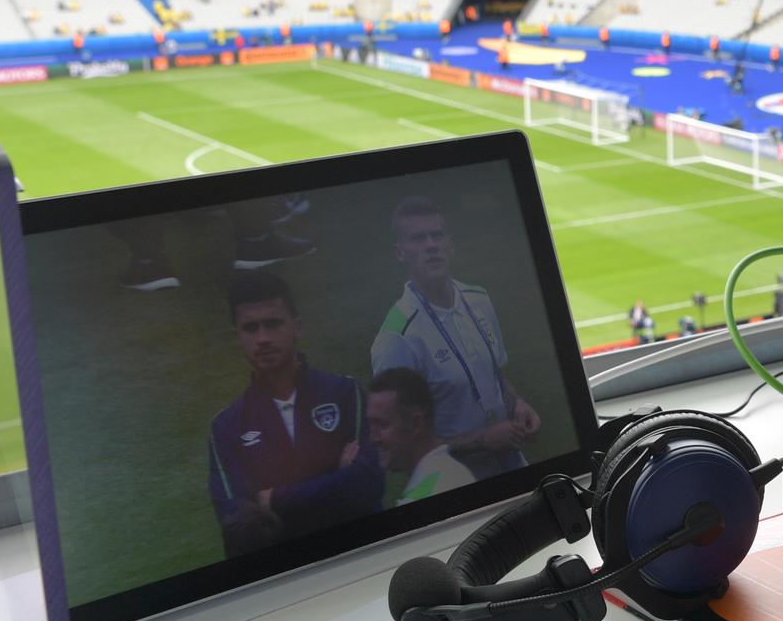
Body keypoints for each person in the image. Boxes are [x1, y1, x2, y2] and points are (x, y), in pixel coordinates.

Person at [207, 272, 384, 557]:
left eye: (273, 324)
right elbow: (242, 529)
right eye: (251, 328)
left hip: (363, 555)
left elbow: (370, 483)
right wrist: (337, 481)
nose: (262, 338)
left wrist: (275, 499)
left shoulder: (346, 393)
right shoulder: (225, 428)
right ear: (238, 336)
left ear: (296, 326)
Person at [371, 196, 540, 481]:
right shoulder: (396, 337)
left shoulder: (479, 299)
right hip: (451, 484)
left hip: (511, 463)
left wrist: (518, 404)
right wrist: (483, 440)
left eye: (437, 235)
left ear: (450, 243)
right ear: (400, 253)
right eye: (418, 238)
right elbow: (400, 446)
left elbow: (495, 374)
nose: (431, 245)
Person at [365, 367, 477, 505]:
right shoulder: (453, 471)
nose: (373, 438)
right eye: (371, 424)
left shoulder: (421, 498)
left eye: (383, 425)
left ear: (416, 424)